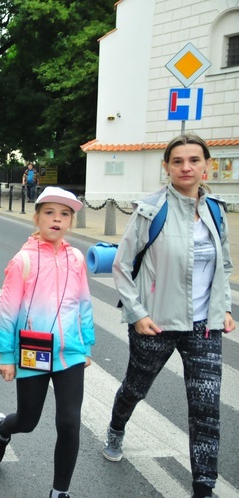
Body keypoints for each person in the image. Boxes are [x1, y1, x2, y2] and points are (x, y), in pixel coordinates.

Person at [103, 134, 234, 498]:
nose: (187, 167)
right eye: (178, 161)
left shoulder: (217, 211)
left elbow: (223, 264)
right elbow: (122, 265)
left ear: (207, 165)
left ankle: (203, 487)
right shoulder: (150, 210)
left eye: (194, 160)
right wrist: (137, 312)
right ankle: (117, 426)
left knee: (206, 408)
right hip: (155, 322)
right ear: (167, 167)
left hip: (203, 327)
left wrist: (222, 309)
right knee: (135, 388)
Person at [0, 187, 94, 498]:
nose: (57, 219)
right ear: (36, 218)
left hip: (70, 352)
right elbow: (6, 308)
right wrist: (7, 354)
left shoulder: (76, 258)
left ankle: (59, 491)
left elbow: (84, 303)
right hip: (33, 350)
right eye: (49, 212)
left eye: (64, 214)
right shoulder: (23, 260)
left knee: (69, 422)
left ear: (71, 222)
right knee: (28, 420)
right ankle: (2, 429)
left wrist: (86, 345)